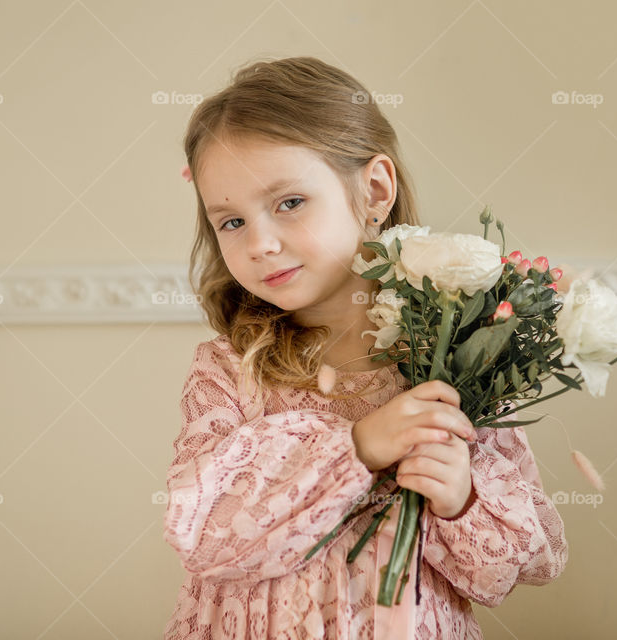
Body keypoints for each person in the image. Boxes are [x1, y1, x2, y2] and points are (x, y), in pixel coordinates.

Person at [163, 56, 568, 639]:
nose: (260, 244)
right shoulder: (229, 370)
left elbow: (528, 562)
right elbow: (201, 532)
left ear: (374, 189)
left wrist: (461, 500)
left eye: (289, 203)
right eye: (230, 222)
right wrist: (357, 446)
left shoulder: (456, 359)